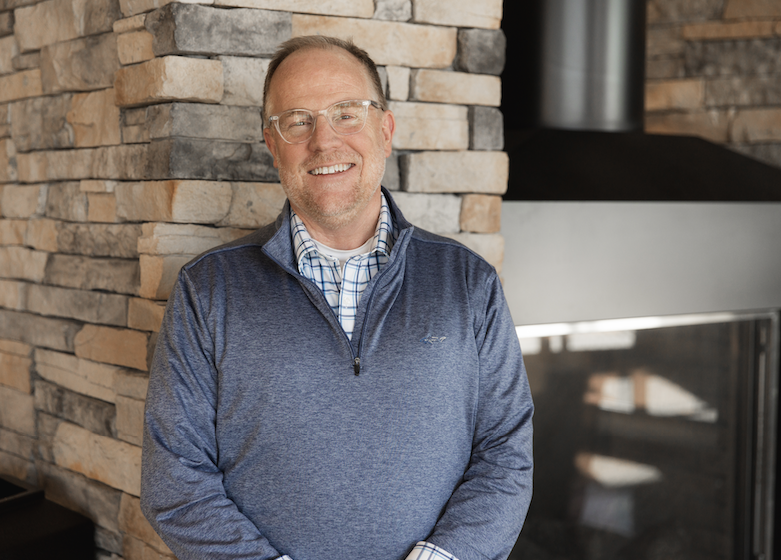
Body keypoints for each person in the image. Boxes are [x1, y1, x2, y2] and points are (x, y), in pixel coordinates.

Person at [140, 36, 533, 560]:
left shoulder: (468, 282)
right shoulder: (208, 290)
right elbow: (174, 482)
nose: (324, 141)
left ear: (385, 130)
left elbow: (506, 452)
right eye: (297, 121)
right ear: (272, 145)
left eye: (347, 113)